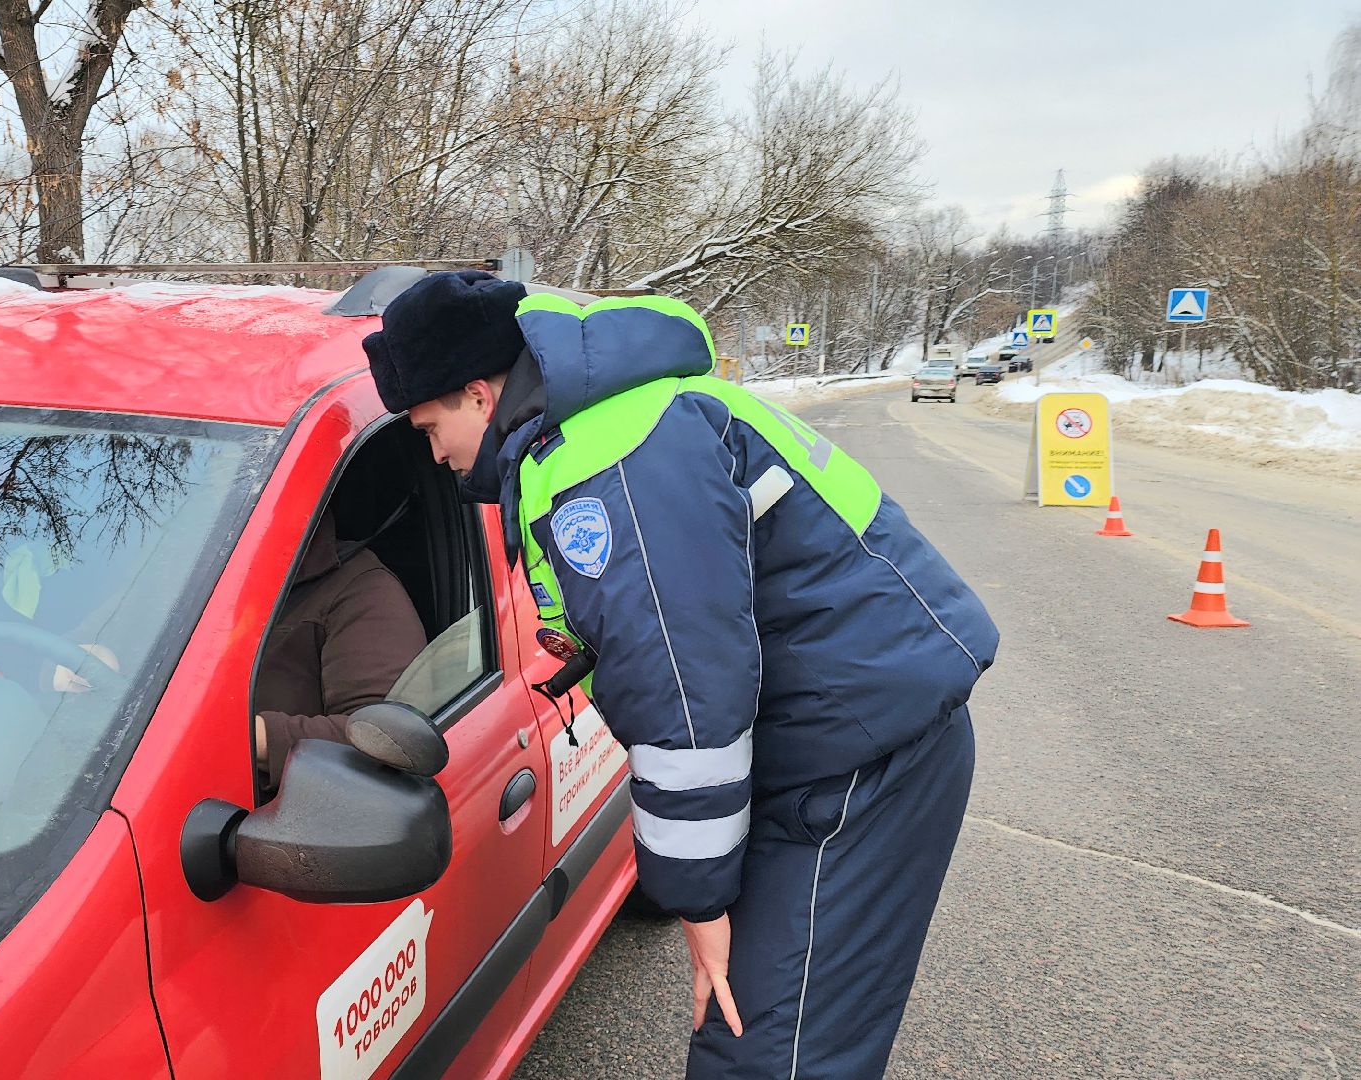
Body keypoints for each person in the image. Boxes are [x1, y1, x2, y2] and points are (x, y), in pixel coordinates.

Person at [362, 271, 998, 1080]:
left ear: (480, 396)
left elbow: (686, 694)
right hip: (832, 731)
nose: (436, 455)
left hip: (859, 762)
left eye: (428, 427)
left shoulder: (607, 460)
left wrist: (696, 901)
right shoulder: (602, 425)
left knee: (769, 1054)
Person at [250, 508, 427, 789]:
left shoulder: (364, 590)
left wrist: (251, 739)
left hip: (278, 822)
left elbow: (386, 741)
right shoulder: (189, 588)